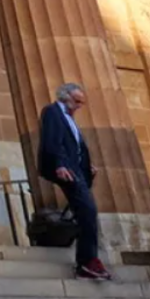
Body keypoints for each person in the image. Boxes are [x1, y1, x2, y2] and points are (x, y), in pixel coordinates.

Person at [37, 82, 110, 281]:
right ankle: (87, 261)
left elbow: (75, 146)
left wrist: (87, 166)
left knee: (85, 210)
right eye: (77, 101)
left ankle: (87, 260)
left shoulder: (69, 119)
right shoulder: (52, 112)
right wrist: (59, 165)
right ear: (64, 97)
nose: (79, 105)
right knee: (88, 209)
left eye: (81, 102)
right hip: (65, 169)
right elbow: (51, 141)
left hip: (76, 169)